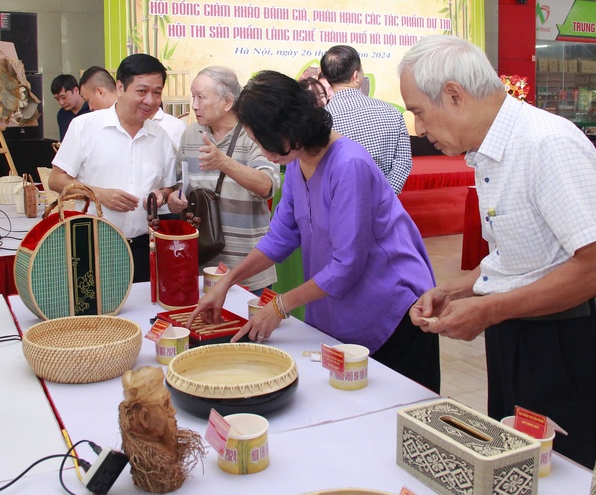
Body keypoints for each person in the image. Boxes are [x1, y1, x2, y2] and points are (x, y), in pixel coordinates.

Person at [399, 35, 596, 469]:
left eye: (419, 113)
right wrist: (459, 291)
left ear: (453, 95)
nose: (420, 130)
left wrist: (489, 311)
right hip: (518, 334)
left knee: (555, 472)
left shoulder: (546, 144)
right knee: (511, 463)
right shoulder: (488, 152)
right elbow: (517, 255)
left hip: (565, 346)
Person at [189, 70, 440, 393]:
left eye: (264, 141)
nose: (263, 153)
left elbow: (346, 265)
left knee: (396, 412)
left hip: (392, 308)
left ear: (290, 127)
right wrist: (227, 281)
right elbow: (280, 238)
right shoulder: (297, 162)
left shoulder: (349, 164)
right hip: (345, 306)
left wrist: (280, 306)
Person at [50, 54, 177, 283]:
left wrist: (162, 195)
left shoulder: (160, 137)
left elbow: (168, 187)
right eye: (142, 91)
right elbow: (56, 180)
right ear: (120, 87)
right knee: (95, 315)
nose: (150, 100)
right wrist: (99, 194)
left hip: (142, 248)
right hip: (93, 246)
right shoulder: (85, 126)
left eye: (156, 93)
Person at [167, 66, 280, 293]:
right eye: (193, 96)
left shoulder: (255, 133)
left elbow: (267, 186)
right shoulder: (191, 134)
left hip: (248, 267)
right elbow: (183, 182)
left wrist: (223, 162)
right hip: (202, 265)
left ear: (228, 102)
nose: (194, 105)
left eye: (201, 97)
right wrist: (175, 197)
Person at [320, 45, 412, 194]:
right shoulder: (392, 113)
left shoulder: (319, 122)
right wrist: (385, 197)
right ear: (356, 76)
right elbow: (403, 162)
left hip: (337, 207)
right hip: (384, 209)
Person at [51, 74, 90, 140]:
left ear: (76, 90)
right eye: (57, 99)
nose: (61, 103)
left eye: (64, 97)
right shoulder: (62, 114)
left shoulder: (92, 109)